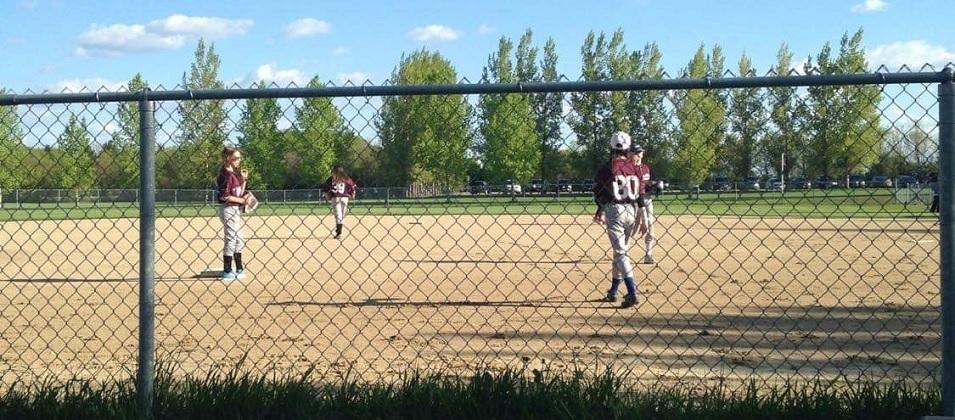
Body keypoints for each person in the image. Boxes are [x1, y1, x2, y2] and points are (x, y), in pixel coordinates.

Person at [592, 132, 647, 308]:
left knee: (621, 253)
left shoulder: (606, 167)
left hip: (614, 210)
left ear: (611, 147)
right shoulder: (634, 167)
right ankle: (614, 291)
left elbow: (599, 193)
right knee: (620, 253)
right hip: (632, 210)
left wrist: (600, 208)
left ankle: (632, 292)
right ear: (628, 148)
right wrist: (643, 218)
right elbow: (641, 195)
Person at [216, 146, 249, 281]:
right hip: (228, 209)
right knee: (231, 238)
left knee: (239, 238)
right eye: (236, 158)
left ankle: (239, 267)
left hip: (234, 209)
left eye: (239, 158)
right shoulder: (225, 175)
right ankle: (227, 269)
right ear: (228, 158)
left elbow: (239, 193)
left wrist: (244, 180)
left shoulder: (233, 175)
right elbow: (224, 196)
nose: (238, 160)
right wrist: (242, 200)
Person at [630, 144, 658, 264]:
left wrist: (653, 185)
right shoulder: (628, 169)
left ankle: (648, 254)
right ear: (631, 154)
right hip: (634, 202)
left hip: (647, 200)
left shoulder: (646, 168)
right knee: (632, 228)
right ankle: (623, 250)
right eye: (637, 152)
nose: (640, 154)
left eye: (640, 152)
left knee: (650, 225)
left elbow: (645, 184)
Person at [322, 165, 357, 240]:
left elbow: (325, 189)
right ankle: (339, 231)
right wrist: (353, 194)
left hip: (335, 198)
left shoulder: (331, 179)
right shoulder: (347, 178)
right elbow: (353, 187)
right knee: (342, 215)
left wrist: (327, 196)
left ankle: (339, 233)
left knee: (338, 215)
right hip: (345, 197)